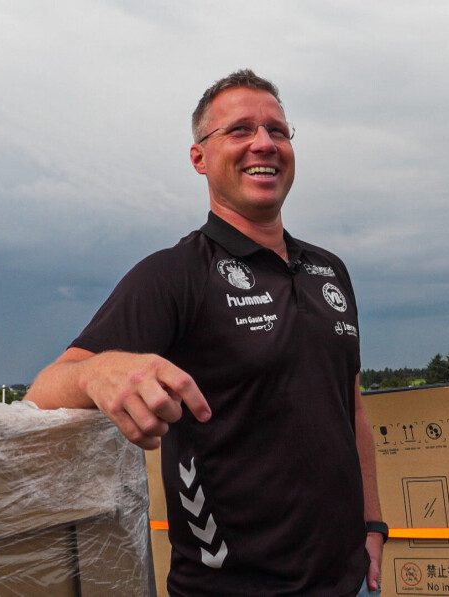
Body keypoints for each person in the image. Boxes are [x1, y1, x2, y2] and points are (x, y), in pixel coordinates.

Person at [26, 69, 384, 597]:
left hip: (352, 583)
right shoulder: (174, 275)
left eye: (278, 131)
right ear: (199, 158)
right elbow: (44, 389)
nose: (264, 143)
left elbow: (349, 408)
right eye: (240, 130)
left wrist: (372, 525)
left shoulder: (330, 271)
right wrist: (100, 371)